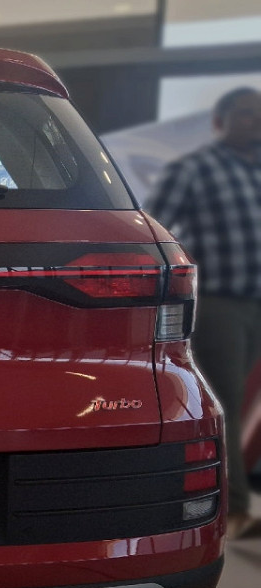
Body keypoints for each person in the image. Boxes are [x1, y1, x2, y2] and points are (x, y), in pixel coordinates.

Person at [145, 86, 261, 540]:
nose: (255, 122)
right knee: (225, 401)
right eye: (246, 114)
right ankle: (234, 510)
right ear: (219, 121)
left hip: (256, 303)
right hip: (220, 305)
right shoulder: (194, 169)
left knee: (243, 402)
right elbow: (156, 235)